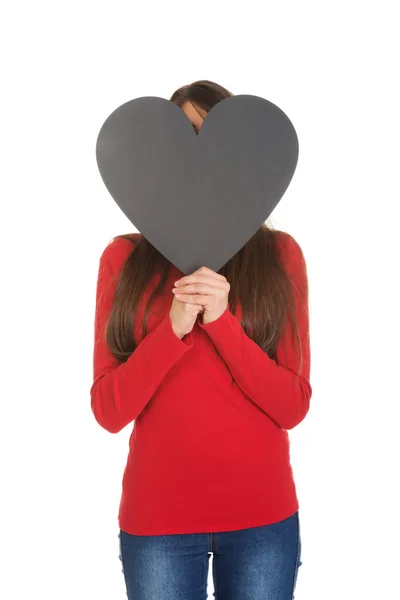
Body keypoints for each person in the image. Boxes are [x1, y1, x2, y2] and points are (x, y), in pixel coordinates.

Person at [90, 80, 311, 599]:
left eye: (213, 141)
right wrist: (172, 329)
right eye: (186, 141)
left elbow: (292, 405)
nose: (199, 162)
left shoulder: (281, 256)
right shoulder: (121, 260)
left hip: (262, 522)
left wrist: (221, 321)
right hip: (157, 525)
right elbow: (107, 410)